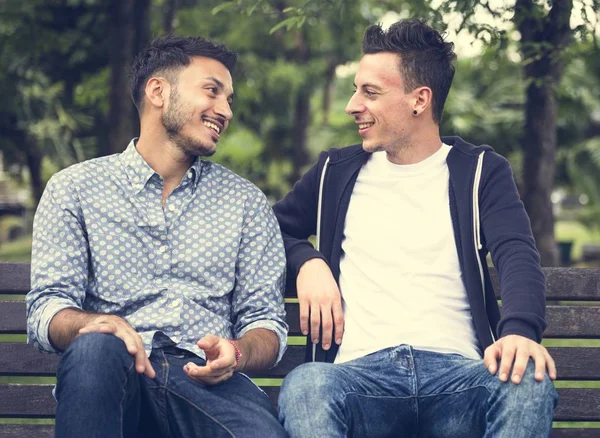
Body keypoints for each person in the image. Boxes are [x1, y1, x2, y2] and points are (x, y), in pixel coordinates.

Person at [274, 19, 557, 437]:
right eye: (355, 89)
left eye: (370, 92)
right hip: (358, 382)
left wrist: (519, 333)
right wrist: (307, 261)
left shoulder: (480, 172)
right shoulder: (334, 172)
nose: (353, 105)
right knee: (306, 385)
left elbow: (517, 253)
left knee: (528, 378)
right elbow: (268, 232)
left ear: (419, 100)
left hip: (460, 378)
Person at [26, 35, 288, 438]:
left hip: (209, 388)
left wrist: (236, 352)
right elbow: (47, 309)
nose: (225, 111)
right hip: (116, 382)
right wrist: (96, 324)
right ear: (158, 91)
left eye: (229, 100)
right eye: (212, 91)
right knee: (97, 346)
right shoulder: (74, 189)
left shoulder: (246, 203)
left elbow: (266, 323)